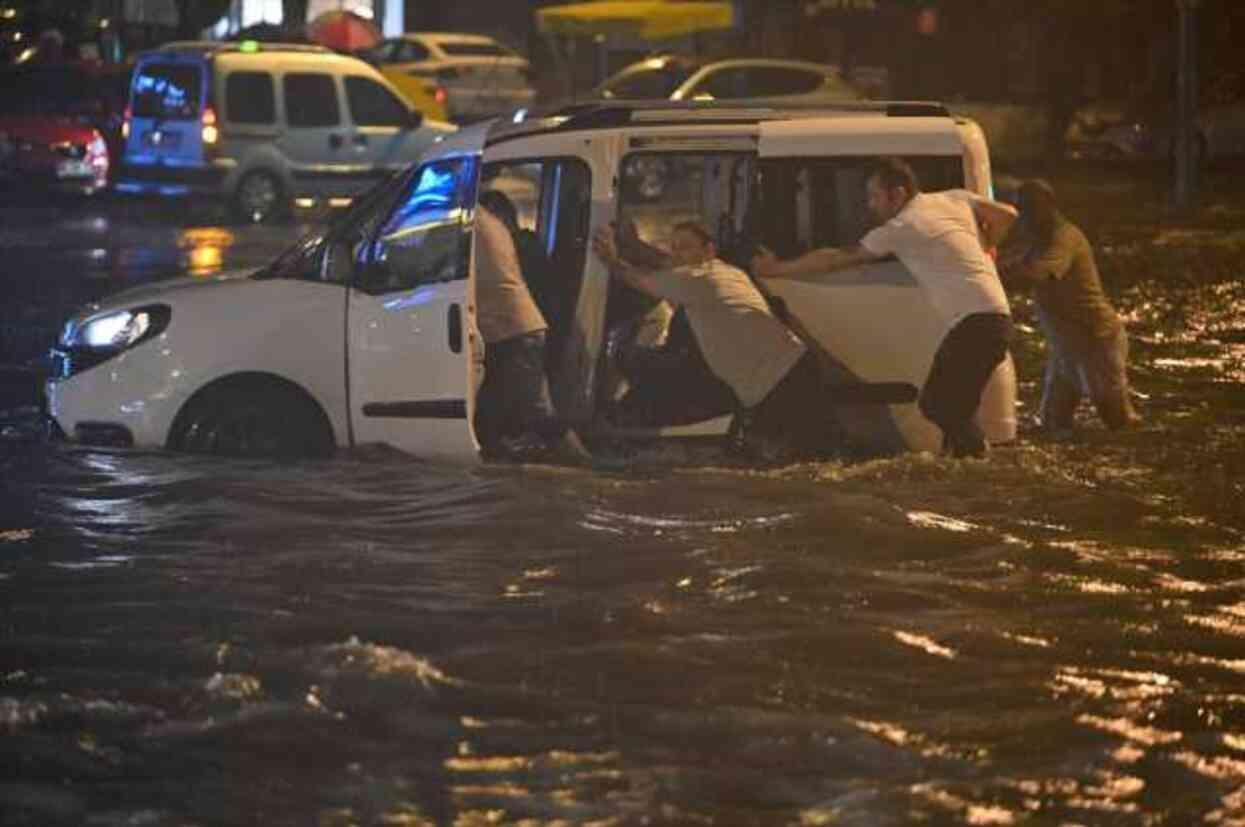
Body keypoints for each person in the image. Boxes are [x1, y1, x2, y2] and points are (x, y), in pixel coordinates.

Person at [751, 157, 1018, 458]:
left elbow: (839, 257)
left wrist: (777, 269)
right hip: (992, 318)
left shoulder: (903, 226)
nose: (870, 205)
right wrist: (987, 246)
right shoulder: (954, 199)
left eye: (874, 196)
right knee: (952, 404)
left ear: (898, 194)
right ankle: (963, 457)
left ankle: (978, 462)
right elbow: (1007, 214)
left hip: (977, 323)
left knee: (939, 405)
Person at [591, 219, 842, 461]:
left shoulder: (698, 279)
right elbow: (664, 263)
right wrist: (633, 245)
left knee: (799, 463)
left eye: (685, 248)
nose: (677, 255)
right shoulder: (728, 272)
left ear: (709, 250)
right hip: (796, 367)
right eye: (674, 248)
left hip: (776, 383)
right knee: (819, 458)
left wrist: (610, 259)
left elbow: (637, 279)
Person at [998, 178, 1140, 431]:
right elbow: (1016, 263)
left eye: (1030, 210)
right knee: (1053, 422)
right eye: (1022, 210)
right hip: (1067, 344)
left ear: (1049, 207)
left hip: (1095, 340)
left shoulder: (1064, 238)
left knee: (1116, 419)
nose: (1024, 218)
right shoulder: (1039, 238)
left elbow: (1039, 274)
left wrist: (994, 274)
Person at [474, 197, 589, 463]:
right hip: (509, 330)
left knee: (534, 413)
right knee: (494, 412)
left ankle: (587, 466)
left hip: (513, 332)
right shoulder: (484, 220)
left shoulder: (472, 222)